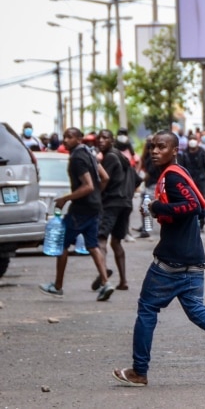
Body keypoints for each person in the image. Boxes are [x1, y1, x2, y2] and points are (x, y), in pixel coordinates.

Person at [111, 131, 205, 386]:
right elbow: (192, 206)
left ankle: (139, 371)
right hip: (193, 258)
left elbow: (192, 206)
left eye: (161, 147)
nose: (154, 151)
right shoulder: (175, 174)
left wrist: (156, 208)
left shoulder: (173, 177)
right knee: (195, 308)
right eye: (152, 147)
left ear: (174, 150)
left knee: (147, 309)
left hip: (171, 261)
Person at [39, 128, 113, 301]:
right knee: (93, 245)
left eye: (70, 137)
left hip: (80, 209)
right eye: (64, 137)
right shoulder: (89, 153)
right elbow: (105, 177)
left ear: (79, 139)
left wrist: (65, 199)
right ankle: (105, 282)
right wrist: (96, 196)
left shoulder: (77, 158)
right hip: (94, 207)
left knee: (61, 244)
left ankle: (57, 286)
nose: (65, 140)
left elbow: (87, 186)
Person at [95, 129, 133, 290]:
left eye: (105, 138)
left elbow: (104, 179)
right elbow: (136, 180)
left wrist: (97, 196)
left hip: (111, 203)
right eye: (100, 138)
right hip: (125, 203)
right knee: (116, 241)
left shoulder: (110, 157)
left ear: (112, 141)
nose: (101, 141)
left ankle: (103, 278)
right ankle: (123, 281)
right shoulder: (123, 158)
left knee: (101, 239)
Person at [179, 134, 205, 230]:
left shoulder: (202, 152)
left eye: (194, 139)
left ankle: (202, 222)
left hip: (200, 180)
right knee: (188, 200)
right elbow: (181, 167)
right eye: (190, 139)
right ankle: (190, 222)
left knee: (201, 200)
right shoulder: (184, 153)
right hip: (188, 180)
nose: (192, 141)